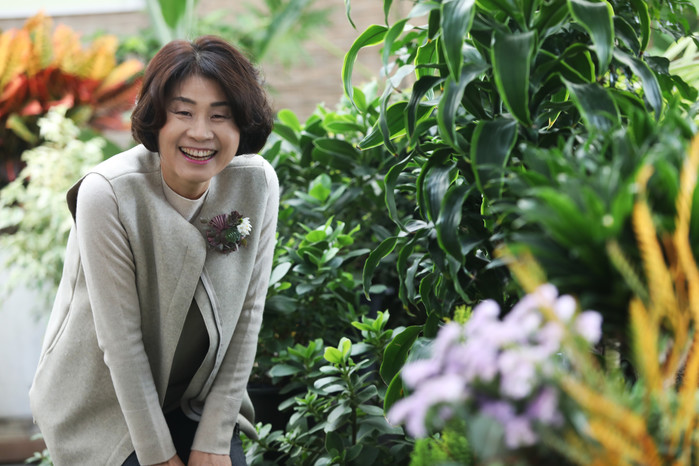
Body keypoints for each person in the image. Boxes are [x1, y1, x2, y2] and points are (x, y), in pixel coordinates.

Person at [29, 35, 278, 466]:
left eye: (220, 115)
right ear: (157, 117)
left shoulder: (256, 183)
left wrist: (215, 440)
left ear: (242, 123)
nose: (200, 132)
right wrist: (160, 458)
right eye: (183, 112)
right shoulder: (107, 193)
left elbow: (247, 318)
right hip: (104, 406)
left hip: (194, 399)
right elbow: (121, 344)